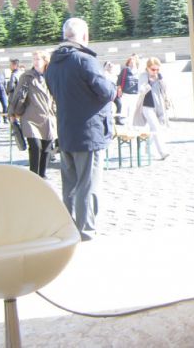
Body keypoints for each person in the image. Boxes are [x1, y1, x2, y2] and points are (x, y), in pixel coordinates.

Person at [45, 18, 116, 241]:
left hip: (66, 132)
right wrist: (110, 79)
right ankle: (86, 231)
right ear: (85, 36)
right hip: (89, 133)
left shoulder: (53, 64)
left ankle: (70, 228)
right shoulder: (85, 60)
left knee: (70, 186)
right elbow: (107, 92)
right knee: (88, 185)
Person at [8, 51, 57, 178]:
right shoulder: (26, 76)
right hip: (30, 117)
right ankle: (33, 177)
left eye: (38, 59)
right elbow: (17, 95)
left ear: (45, 61)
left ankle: (42, 175)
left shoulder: (52, 76)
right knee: (35, 147)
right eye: (34, 59)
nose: (35, 61)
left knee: (47, 148)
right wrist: (12, 113)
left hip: (48, 117)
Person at [132, 57, 171, 161]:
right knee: (155, 128)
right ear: (148, 68)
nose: (155, 71)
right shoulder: (143, 76)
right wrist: (149, 83)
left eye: (157, 69)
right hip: (147, 106)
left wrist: (161, 79)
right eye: (153, 69)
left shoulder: (159, 76)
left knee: (155, 129)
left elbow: (165, 89)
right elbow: (141, 90)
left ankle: (147, 147)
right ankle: (162, 152)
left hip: (159, 106)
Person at [116, 54, 140, 125]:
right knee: (124, 110)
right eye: (130, 62)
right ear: (128, 63)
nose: (132, 63)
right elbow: (119, 81)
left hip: (135, 95)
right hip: (125, 94)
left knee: (132, 110)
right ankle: (125, 124)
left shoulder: (138, 72)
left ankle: (131, 124)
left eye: (133, 62)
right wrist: (119, 89)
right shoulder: (124, 70)